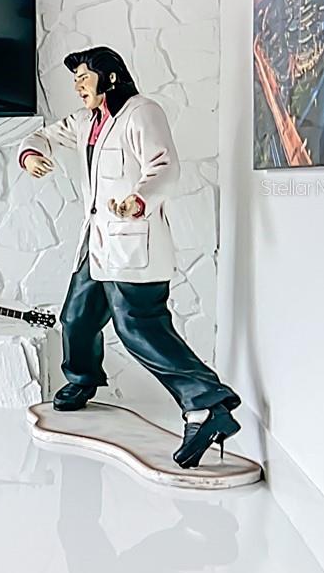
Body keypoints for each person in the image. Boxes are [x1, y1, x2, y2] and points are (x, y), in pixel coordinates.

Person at [19, 46, 240, 468]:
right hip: (96, 243)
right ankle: (83, 381)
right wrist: (31, 155)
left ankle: (205, 405)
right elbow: (44, 136)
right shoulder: (86, 121)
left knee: (137, 326)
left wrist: (139, 200)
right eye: (75, 80)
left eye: (84, 77)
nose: (78, 86)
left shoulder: (142, 113)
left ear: (110, 77)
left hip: (133, 241)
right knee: (77, 318)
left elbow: (165, 166)